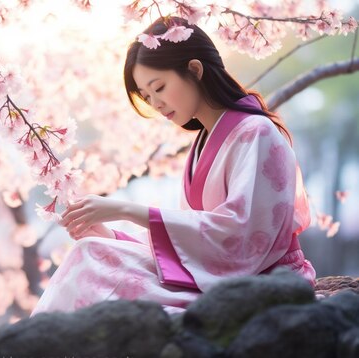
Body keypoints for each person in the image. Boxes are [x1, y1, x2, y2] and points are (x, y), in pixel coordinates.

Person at [30, 16, 316, 316]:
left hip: (266, 283)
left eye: (160, 87)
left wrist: (124, 209)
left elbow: (241, 237)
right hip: (218, 277)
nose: (156, 104)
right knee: (91, 252)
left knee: (93, 268)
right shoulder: (203, 143)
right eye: (148, 97)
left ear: (194, 70)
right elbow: (195, 241)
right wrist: (112, 236)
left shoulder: (257, 133)